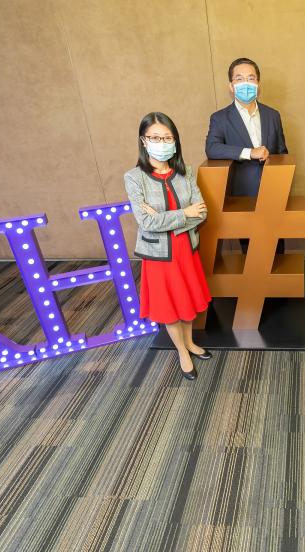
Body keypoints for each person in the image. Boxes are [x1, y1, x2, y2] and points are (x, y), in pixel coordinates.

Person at [124, 112, 212, 381]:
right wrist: (184, 214)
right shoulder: (134, 178)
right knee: (171, 307)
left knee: (187, 301)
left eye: (167, 137)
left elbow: (203, 213)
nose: (161, 142)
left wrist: (166, 219)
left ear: (175, 140)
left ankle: (190, 342)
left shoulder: (186, 172)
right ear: (143, 140)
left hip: (186, 250)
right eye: (154, 137)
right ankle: (182, 351)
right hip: (160, 256)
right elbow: (146, 221)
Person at [205, 57, 289, 254]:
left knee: (277, 250)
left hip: (273, 194)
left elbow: (282, 152)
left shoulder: (273, 115)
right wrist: (249, 153)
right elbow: (212, 148)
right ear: (231, 86)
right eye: (239, 79)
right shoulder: (219, 118)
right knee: (250, 253)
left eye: (251, 78)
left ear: (258, 83)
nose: (246, 84)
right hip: (241, 195)